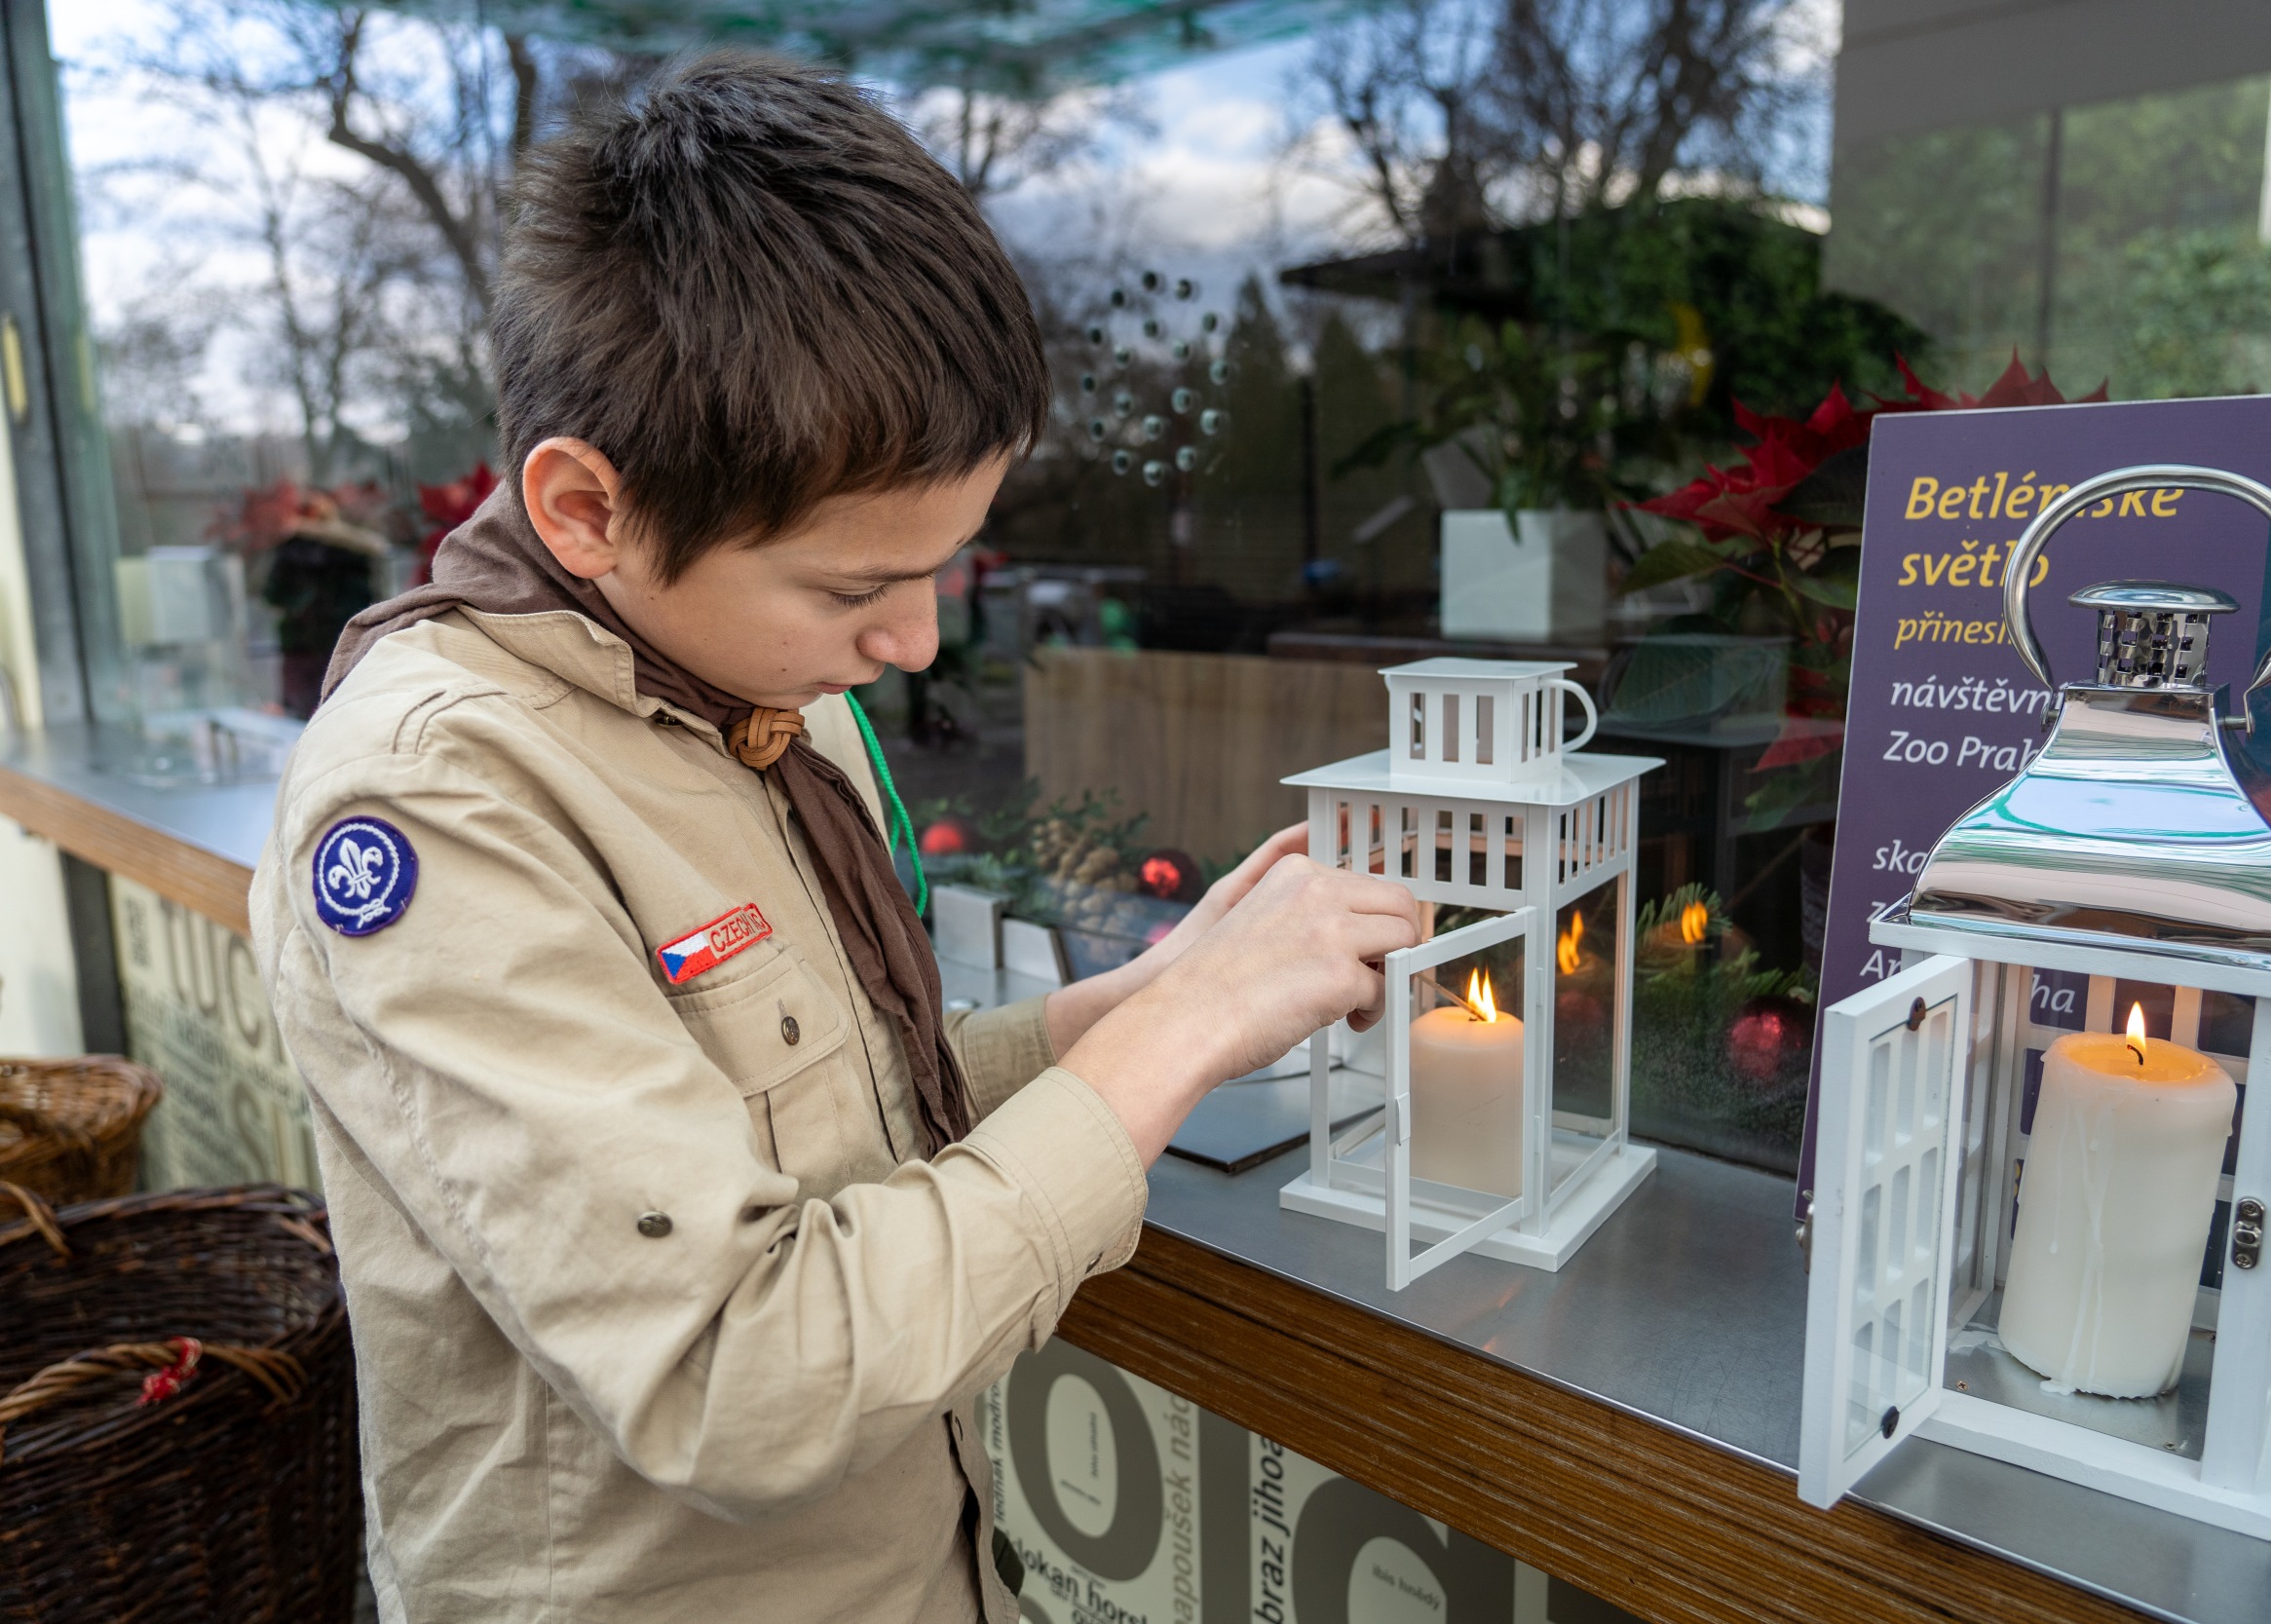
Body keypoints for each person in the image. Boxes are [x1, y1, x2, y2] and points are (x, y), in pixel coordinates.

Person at [250, 55, 1419, 1624]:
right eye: (856, 589)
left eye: (945, 569)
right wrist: (1182, 1040)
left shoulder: (744, 682)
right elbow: (743, 1374)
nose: (919, 644)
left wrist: (1118, 1013)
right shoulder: (436, 806)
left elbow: (835, 1127)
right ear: (588, 511)